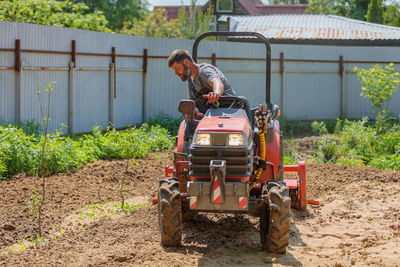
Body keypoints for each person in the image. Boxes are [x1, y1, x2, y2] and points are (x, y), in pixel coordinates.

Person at [168, 49, 238, 152]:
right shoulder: (191, 83)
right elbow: (193, 105)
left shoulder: (204, 71)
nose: (176, 73)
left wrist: (216, 93)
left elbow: (217, 82)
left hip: (230, 111)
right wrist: (189, 115)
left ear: (186, 62)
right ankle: (189, 158)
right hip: (210, 115)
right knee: (189, 125)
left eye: (177, 69)